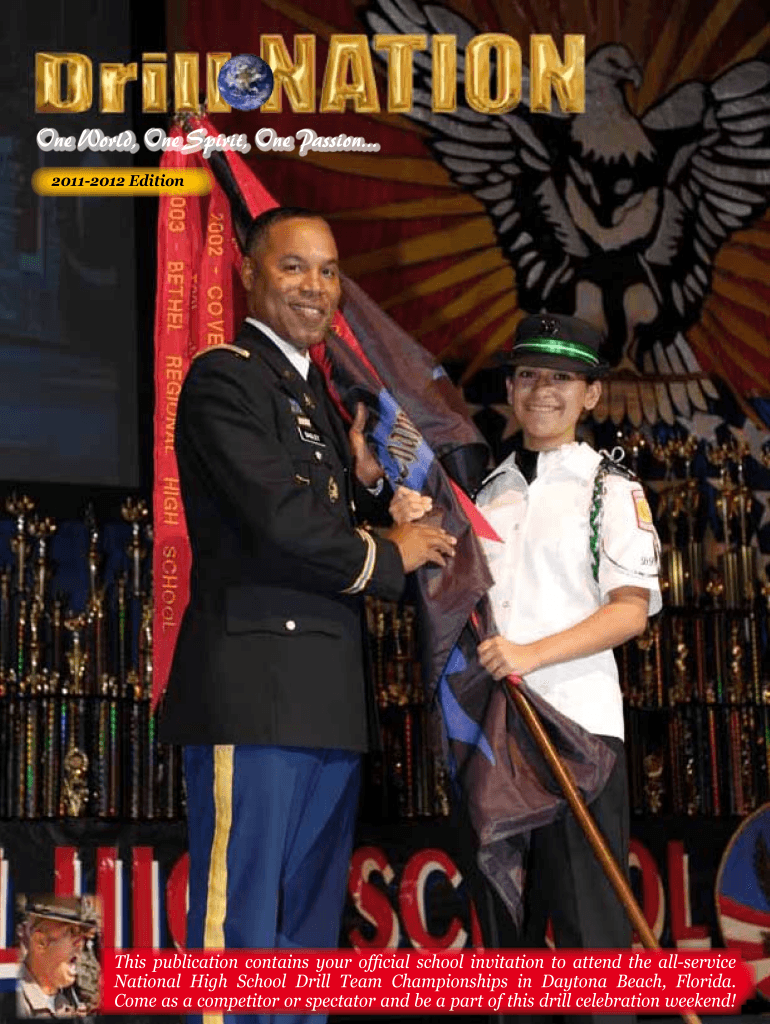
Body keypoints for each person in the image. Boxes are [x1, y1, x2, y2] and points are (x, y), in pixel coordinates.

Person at [158, 207, 455, 1022]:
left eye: (328, 271)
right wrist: (391, 551)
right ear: (249, 273)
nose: (315, 286)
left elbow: (321, 512)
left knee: (305, 943)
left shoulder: (314, 394)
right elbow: (279, 521)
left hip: (327, 694)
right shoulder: (226, 377)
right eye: (294, 267)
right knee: (241, 929)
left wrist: (367, 485)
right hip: (256, 690)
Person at [474, 313, 660, 1024]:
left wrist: (528, 656)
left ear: (592, 394)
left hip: (579, 735)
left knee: (592, 939)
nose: (542, 390)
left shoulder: (610, 487)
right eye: (528, 374)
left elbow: (629, 612)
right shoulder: (487, 491)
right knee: (506, 943)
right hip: (496, 738)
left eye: (562, 377)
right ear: (510, 389)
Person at [16, 896, 100, 1019]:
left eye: (83, 937)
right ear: (41, 942)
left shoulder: (64, 1004)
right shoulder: (14, 1002)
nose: (80, 945)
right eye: (72, 932)